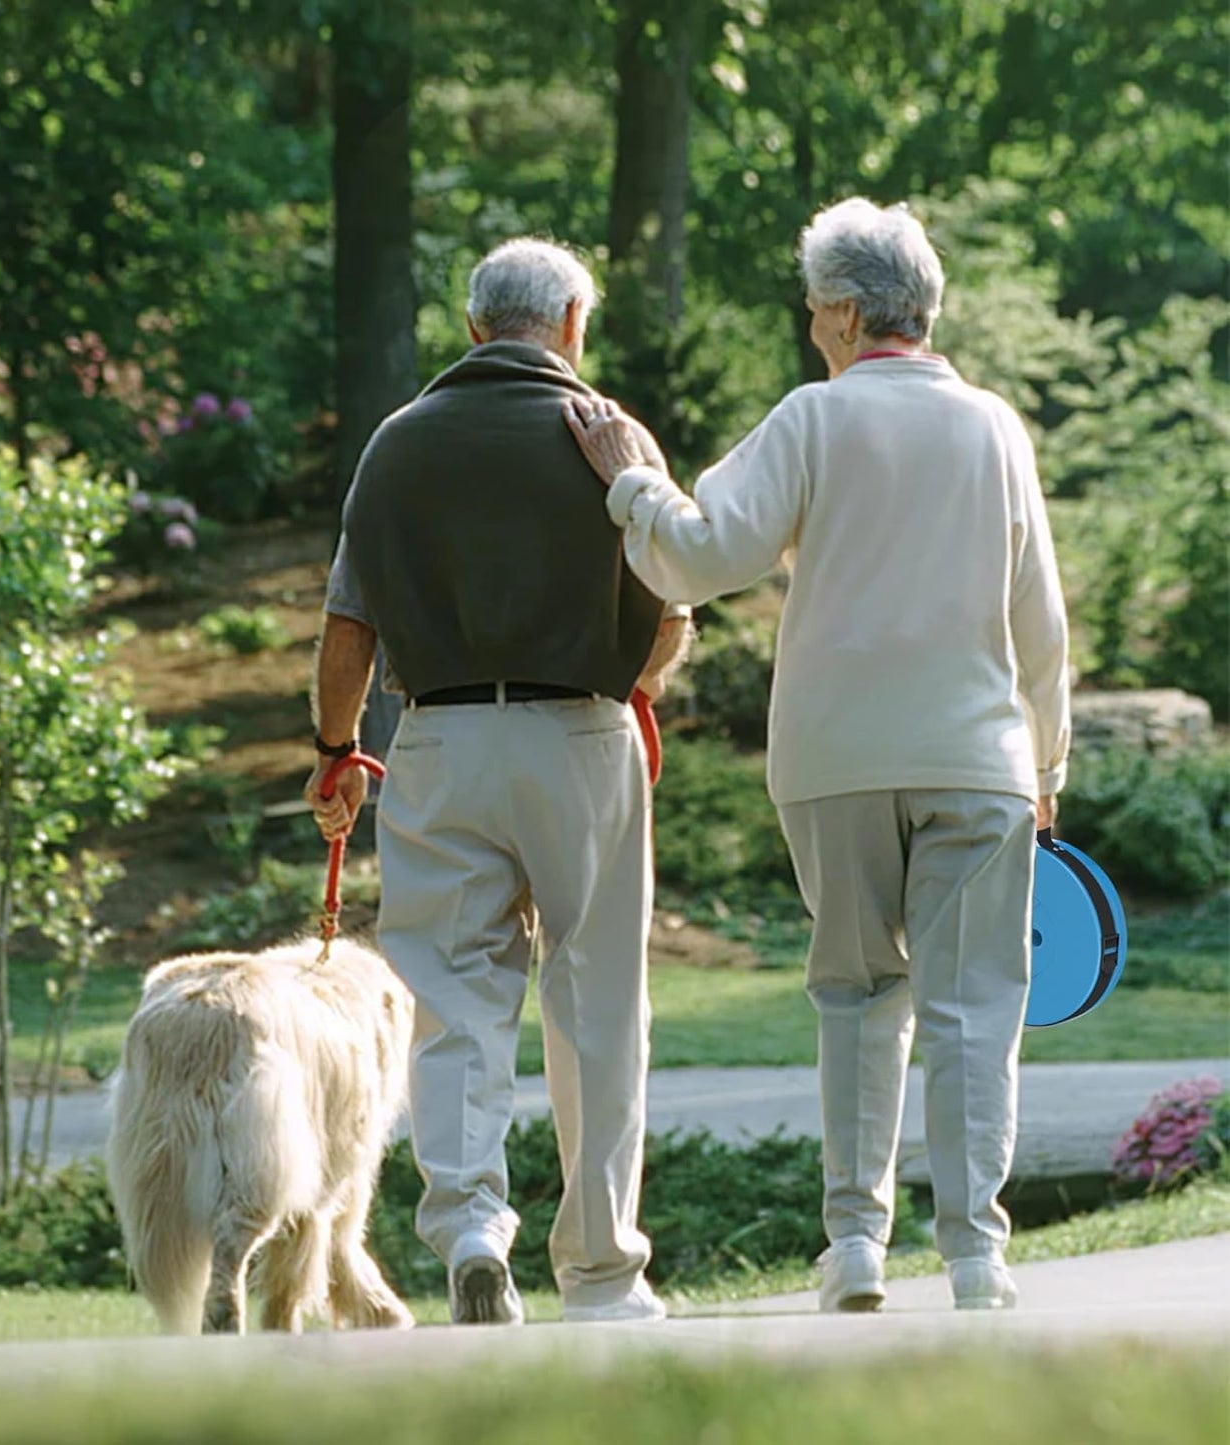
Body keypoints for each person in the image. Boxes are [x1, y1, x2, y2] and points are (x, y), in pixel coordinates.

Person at [566, 198, 1071, 1313]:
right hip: (977, 755)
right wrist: (1046, 763)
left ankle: (853, 1244)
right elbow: (1038, 618)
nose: (809, 330)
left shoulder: (811, 418)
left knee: (852, 992)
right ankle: (976, 1255)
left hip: (835, 754)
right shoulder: (994, 427)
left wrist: (630, 481)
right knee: (971, 1007)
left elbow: (697, 556)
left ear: (844, 312)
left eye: (811, 311)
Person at [305, 237, 691, 1326]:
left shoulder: (397, 444)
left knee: (451, 993)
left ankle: (471, 1220)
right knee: (597, 999)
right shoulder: (610, 434)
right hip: (582, 733)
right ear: (571, 321)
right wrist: (639, 683)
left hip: (439, 734)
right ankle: (604, 1270)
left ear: (474, 328)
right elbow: (668, 610)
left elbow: (349, 625)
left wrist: (336, 748)